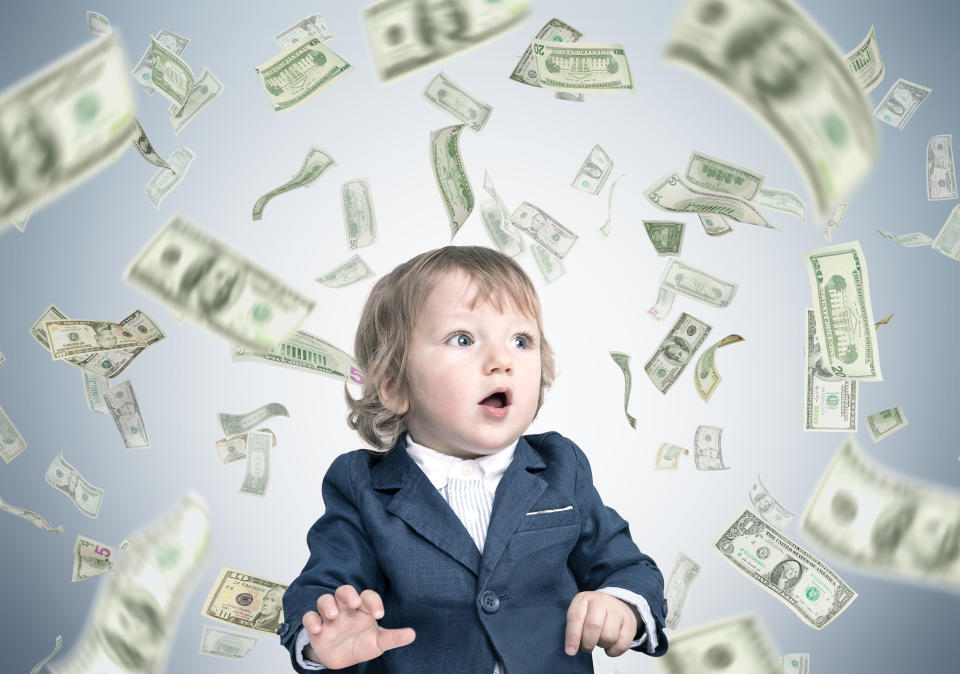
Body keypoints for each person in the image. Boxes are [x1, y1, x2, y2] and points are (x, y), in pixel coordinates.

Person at [278, 246, 669, 672]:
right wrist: (322, 636)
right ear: (393, 385)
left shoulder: (561, 465)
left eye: (521, 341)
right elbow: (320, 584)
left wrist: (620, 604)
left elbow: (630, 567)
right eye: (462, 339)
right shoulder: (361, 485)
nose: (502, 361)